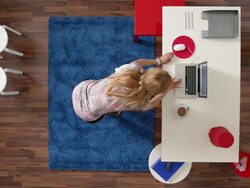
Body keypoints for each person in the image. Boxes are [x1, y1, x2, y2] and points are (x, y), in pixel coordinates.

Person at [72, 52, 181, 122]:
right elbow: (151, 104)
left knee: (106, 91)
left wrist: (159, 61)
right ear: (154, 92)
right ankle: (109, 109)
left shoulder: (131, 68)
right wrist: (167, 89)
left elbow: (138, 62)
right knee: (113, 104)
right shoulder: (137, 102)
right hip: (87, 112)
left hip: (80, 89)